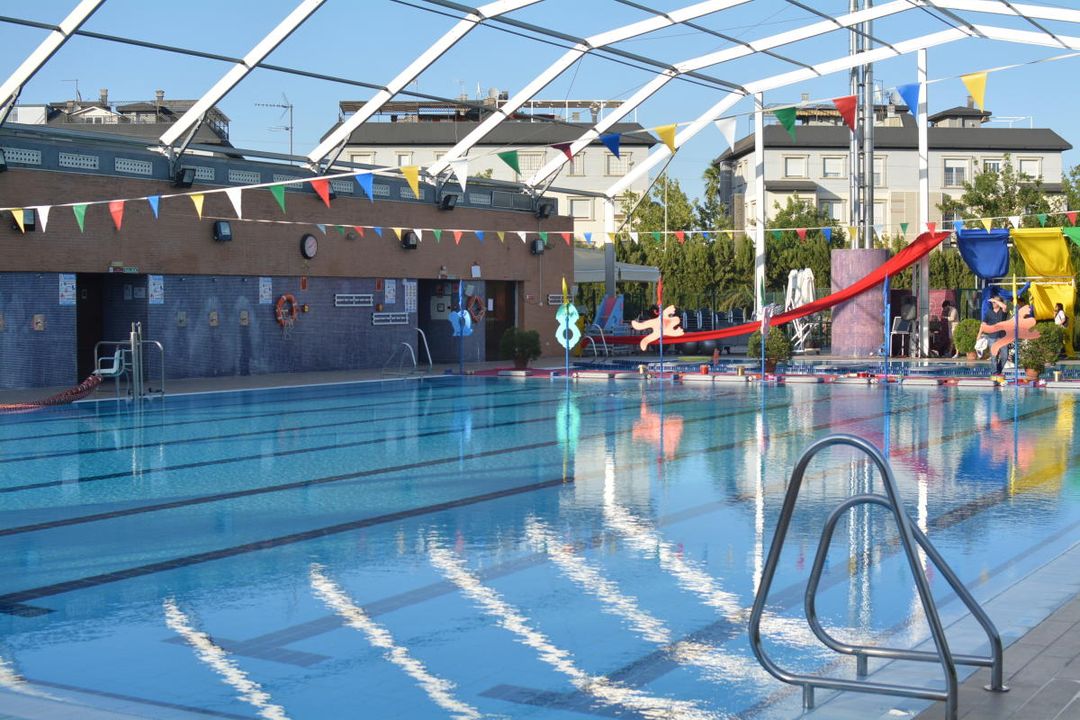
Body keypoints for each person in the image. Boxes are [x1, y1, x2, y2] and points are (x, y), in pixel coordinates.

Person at [983, 293, 1009, 375]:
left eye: (995, 302)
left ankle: (998, 370)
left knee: (1005, 356)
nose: (993, 303)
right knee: (994, 356)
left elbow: (1004, 307)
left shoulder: (1003, 311)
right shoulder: (989, 312)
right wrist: (980, 334)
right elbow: (984, 323)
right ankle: (995, 372)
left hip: (1002, 337)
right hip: (992, 337)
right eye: (993, 302)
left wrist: (995, 300)